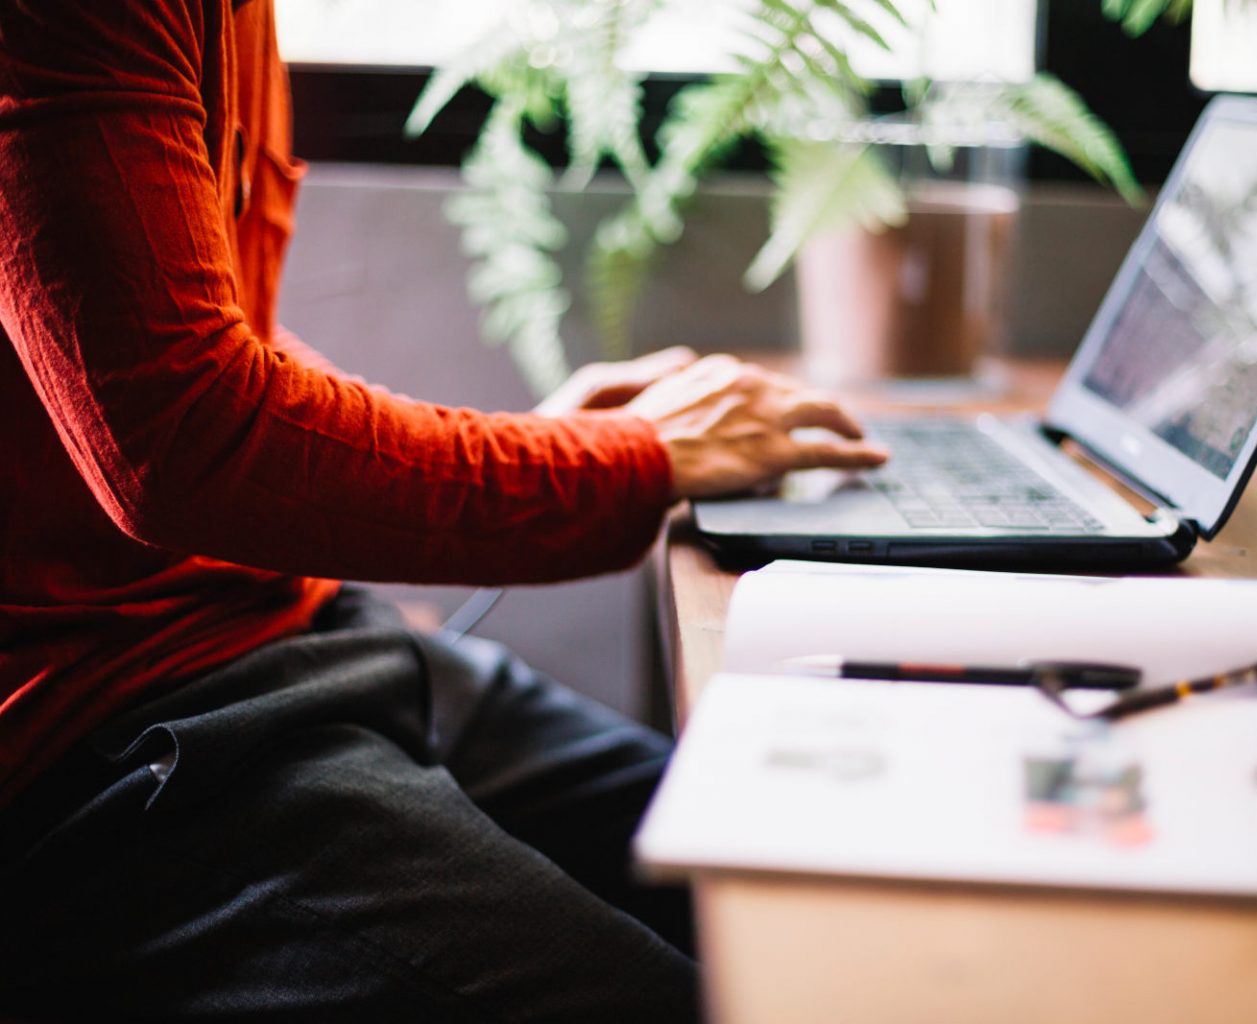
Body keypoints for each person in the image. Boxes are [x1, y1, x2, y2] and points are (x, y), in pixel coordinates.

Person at [0, 2, 886, 1020]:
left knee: (815, 890)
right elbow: (179, 441)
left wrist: (532, 443)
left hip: (296, 633)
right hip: (105, 741)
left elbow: (181, 329)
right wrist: (613, 465)